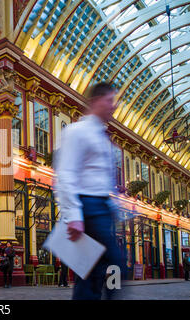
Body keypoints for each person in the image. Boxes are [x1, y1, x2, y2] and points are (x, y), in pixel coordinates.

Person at [55, 82, 126, 300]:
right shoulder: (77, 132)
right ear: (96, 101)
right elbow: (66, 173)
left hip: (102, 206)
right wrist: (74, 216)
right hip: (88, 207)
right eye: (110, 101)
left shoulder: (102, 136)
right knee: (115, 263)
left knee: (91, 272)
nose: (114, 107)